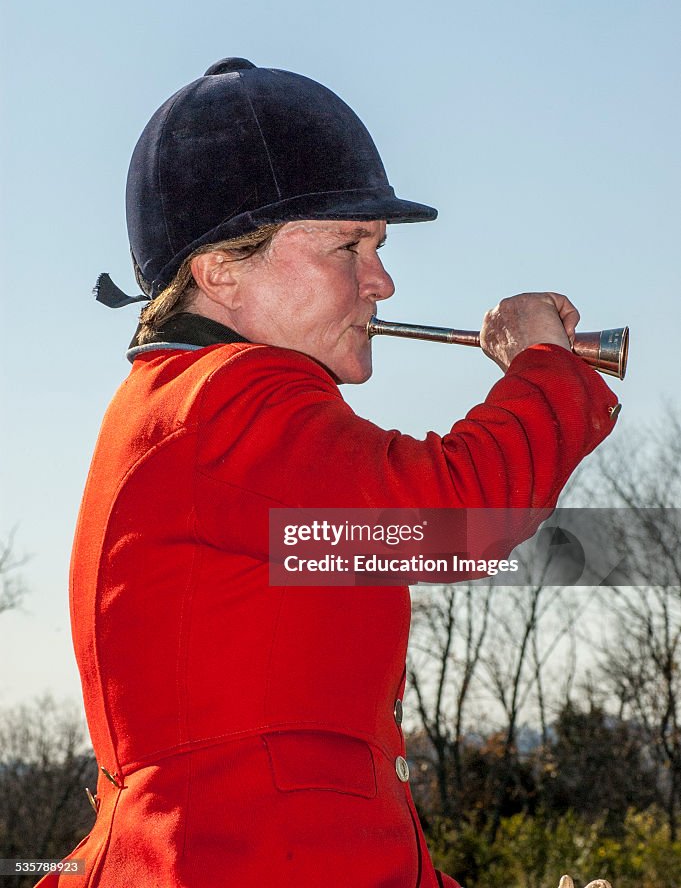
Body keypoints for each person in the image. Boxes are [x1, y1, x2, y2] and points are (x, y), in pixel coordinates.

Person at [38, 58, 620, 888]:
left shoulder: (192, 411)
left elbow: (308, 776)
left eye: (377, 249)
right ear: (219, 270)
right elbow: (450, 518)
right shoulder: (226, 399)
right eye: (349, 246)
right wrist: (544, 372)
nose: (381, 282)